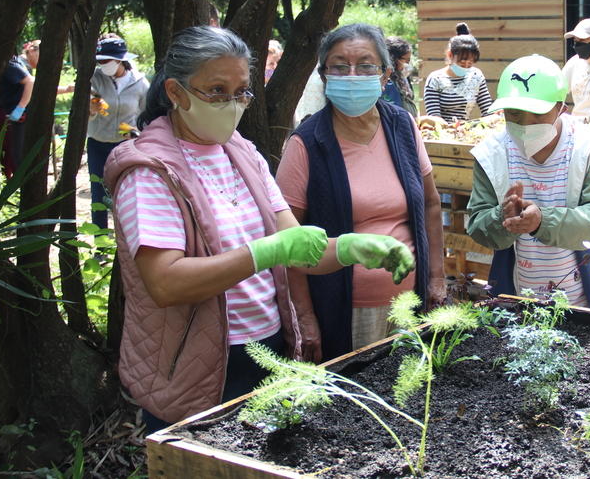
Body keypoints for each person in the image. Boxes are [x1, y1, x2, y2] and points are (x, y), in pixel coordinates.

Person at [103, 26, 415, 429]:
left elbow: (295, 246)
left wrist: (350, 248)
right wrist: (265, 252)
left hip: (265, 348)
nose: (231, 104)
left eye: (241, 92)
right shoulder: (149, 171)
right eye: (217, 91)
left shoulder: (242, 153)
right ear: (176, 93)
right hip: (195, 361)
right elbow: (165, 283)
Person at [276, 23, 445, 362]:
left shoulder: (402, 126)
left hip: (409, 303)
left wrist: (436, 277)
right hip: (343, 313)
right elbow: (287, 242)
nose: (352, 76)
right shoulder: (306, 144)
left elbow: (430, 203)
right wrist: (304, 318)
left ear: (385, 75)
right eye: (340, 67)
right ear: (324, 76)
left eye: (366, 66)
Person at [466, 54, 590, 309]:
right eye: (514, 114)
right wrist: (501, 217)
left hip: (585, 299)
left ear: (561, 108)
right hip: (516, 299)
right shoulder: (491, 154)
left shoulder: (588, 148)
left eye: (537, 115)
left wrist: (542, 221)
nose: (525, 124)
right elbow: (478, 224)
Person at [87, 34, 150, 230]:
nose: (103, 65)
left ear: (120, 60)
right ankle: (100, 239)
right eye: (100, 61)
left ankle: (126, 237)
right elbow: (85, 112)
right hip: (98, 143)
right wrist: (91, 110)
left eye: (106, 61)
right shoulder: (95, 78)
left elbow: (146, 116)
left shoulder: (140, 83)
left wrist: (136, 133)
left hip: (126, 145)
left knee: (126, 192)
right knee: (99, 193)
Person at [0, 41, 39, 176]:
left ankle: (18, 181)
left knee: (16, 152)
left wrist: (20, 108)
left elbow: (30, 82)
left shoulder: (10, 64)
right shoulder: (11, 63)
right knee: (13, 150)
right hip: (9, 113)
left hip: (17, 114)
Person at [422, 22, 493, 123]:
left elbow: (488, 111)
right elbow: (434, 117)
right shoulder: (435, 79)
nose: (466, 67)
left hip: (466, 128)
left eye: (470, 64)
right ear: (450, 55)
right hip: (443, 129)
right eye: (462, 63)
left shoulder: (476, 76)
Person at [382, 36, 418, 117]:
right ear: (393, 59)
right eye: (406, 60)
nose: (408, 64)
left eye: (409, 60)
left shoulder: (403, 77)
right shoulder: (386, 82)